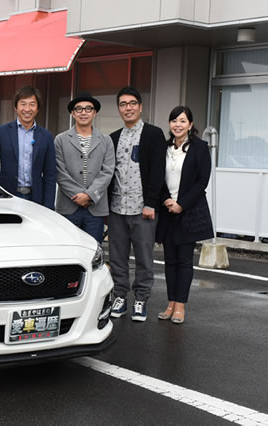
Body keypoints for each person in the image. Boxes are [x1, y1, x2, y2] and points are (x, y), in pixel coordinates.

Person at [108, 86, 167, 322]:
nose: (128, 108)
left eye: (132, 103)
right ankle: (120, 296)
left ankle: (141, 299)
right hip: (116, 208)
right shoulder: (113, 138)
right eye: (123, 104)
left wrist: (151, 203)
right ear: (119, 109)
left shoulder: (153, 134)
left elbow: (157, 171)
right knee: (117, 257)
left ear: (140, 107)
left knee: (144, 258)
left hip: (143, 209)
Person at [155, 106, 213, 324]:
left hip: (188, 211)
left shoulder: (200, 147)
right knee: (169, 260)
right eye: (174, 121)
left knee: (184, 261)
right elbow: (156, 177)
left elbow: (202, 181)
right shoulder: (164, 147)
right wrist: (166, 200)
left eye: (182, 121)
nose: (177, 125)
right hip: (167, 210)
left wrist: (181, 204)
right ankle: (170, 302)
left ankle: (180, 305)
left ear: (190, 125)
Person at [0, 86, 56, 209]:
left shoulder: (46, 136)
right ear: (16, 107)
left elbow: (50, 175)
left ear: (38, 108)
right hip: (8, 196)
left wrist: (49, 206)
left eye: (32, 104)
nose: (27, 109)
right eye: (23, 104)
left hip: (36, 199)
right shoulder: (2, 132)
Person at [54, 92, 114, 242]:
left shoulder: (106, 140)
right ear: (73, 113)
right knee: (68, 248)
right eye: (79, 109)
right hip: (68, 206)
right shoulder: (60, 140)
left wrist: (89, 195)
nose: (83, 113)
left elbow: (107, 171)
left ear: (94, 112)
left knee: (93, 248)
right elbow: (59, 172)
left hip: (95, 208)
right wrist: (78, 195)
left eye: (88, 109)